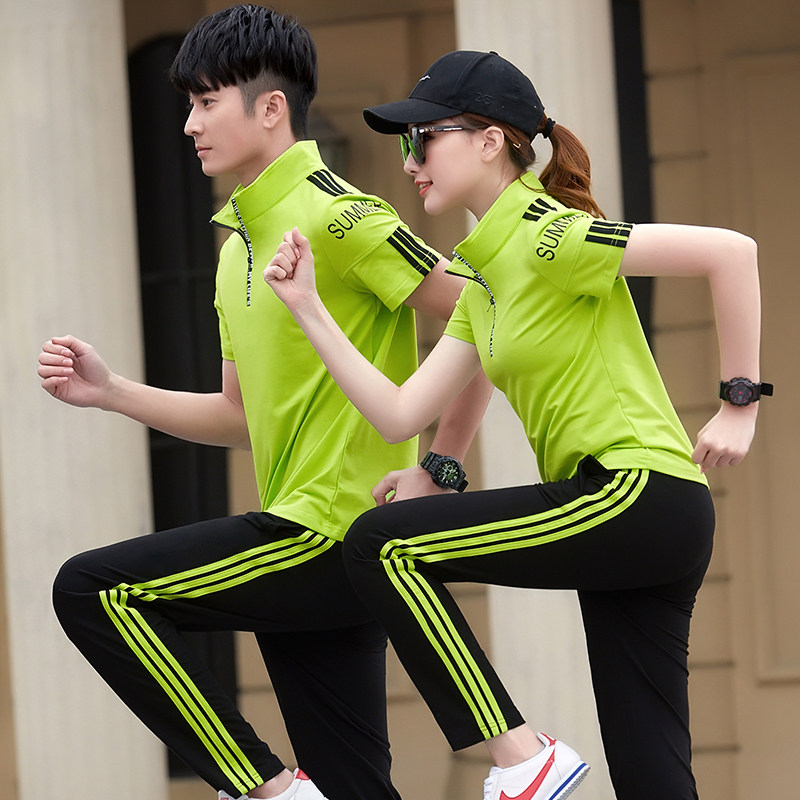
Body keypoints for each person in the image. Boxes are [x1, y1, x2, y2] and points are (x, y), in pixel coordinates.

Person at [264, 50, 772, 800]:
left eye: (422, 139)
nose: (410, 163)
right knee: (650, 772)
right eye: (405, 147)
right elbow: (403, 410)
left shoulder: (547, 236)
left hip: (635, 494)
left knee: (382, 546)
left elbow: (732, 253)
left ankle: (522, 758)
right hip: (634, 517)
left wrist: (738, 403)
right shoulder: (484, 280)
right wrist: (308, 308)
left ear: (489, 140)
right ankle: (529, 759)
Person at [38, 11, 493, 800]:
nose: (189, 124)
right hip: (309, 543)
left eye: (206, 102)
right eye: (189, 104)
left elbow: (491, 309)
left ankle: (264, 788)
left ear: (271, 107)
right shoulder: (235, 252)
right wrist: (111, 393)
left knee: (94, 590)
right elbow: (235, 416)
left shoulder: (342, 215)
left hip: (329, 532)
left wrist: (440, 467)